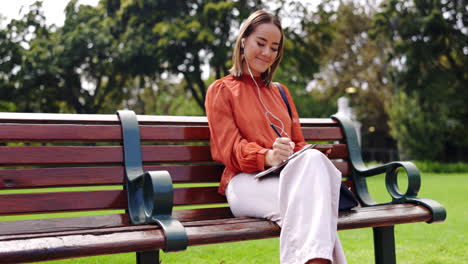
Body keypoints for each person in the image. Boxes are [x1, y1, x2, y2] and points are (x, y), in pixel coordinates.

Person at [205, 10, 347, 264]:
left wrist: (296, 152)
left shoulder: (280, 92)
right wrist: (267, 155)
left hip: (288, 179)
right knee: (315, 208)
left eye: (274, 47)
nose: (267, 53)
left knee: (311, 185)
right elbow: (228, 150)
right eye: (261, 43)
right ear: (243, 41)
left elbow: (298, 141)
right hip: (244, 183)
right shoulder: (222, 90)